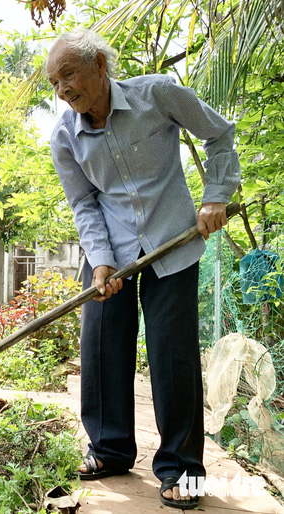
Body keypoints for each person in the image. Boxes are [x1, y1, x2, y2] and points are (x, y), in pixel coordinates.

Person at [46, 28, 240, 509]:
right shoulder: (65, 137)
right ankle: (110, 450)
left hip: (172, 243)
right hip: (110, 253)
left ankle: (183, 471)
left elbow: (220, 134)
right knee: (101, 346)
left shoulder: (157, 94)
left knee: (172, 356)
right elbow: (84, 204)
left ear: (100, 67)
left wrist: (217, 195)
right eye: (54, 83)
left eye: (69, 74)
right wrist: (102, 261)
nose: (63, 89)